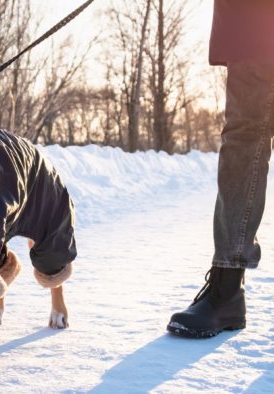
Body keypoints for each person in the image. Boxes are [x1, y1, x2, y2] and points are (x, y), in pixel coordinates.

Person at [167, 0, 274, 338]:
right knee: (243, 139)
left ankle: (227, 289)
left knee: (243, 138)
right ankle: (227, 289)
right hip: (251, 25)